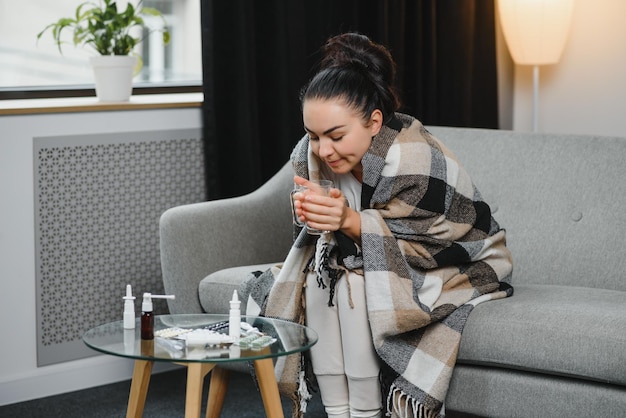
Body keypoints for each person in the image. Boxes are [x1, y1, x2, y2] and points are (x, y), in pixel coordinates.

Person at [245, 32, 513, 418]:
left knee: (355, 283)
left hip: (456, 260)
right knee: (322, 281)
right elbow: (324, 245)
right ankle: (337, 410)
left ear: (374, 122)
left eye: (336, 135)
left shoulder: (415, 159)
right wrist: (316, 217)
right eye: (314, 135)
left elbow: (425, 241)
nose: (323, 150)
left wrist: (348, 220)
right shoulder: (311, 157)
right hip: (368, 257)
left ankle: (368, 412)